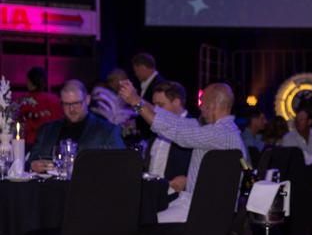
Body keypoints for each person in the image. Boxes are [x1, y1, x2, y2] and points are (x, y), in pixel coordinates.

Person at [118, 80, 245, 223]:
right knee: (146, 218)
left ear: (212, 105)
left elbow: (177, 132)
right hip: (199, 205)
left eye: (202, 102)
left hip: (206, 211)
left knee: (146, 226)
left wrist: (135, 101)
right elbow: (175, 122)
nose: (200, 106)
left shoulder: (220, 133)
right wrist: (136, 100)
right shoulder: (218, 129)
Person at [28, 79, 125, 169]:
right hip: (48, 186)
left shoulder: (107, 131)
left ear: (87, 100)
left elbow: (121, 165)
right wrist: (34, 165)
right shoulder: (46, 130)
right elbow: (30, 163)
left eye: (76, 103)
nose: (72, 109)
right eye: (66, 104)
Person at [148, 81, 193, 191]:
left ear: (177, 102)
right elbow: (141, 111)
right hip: (152, 192)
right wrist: (135, 105)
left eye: (161, 105)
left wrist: (188, 179)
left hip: (176, 197)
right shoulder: (157, 123)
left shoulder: (194, 127)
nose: (156, 109)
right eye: (154, 105)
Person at [17, 66, 61, 148]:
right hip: (50, 143)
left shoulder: (23, 101)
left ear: (30, 81)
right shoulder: (55, 99)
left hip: (28, 143)